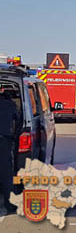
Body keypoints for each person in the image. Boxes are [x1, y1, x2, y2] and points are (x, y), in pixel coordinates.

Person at [0, 86, 20, 214]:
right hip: (4, 140)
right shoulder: (10, 105)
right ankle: (10, 206)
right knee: (6, 175)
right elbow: (17, 120)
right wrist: (14, 135)